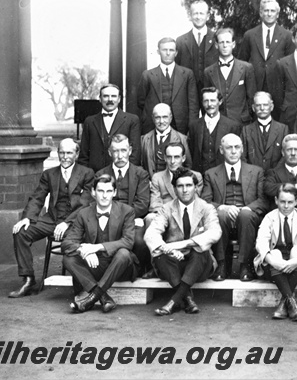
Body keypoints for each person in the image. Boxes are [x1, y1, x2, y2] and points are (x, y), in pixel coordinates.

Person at [9, 138, 95, 298]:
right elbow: (37, 197)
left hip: (75, 222)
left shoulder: (87, 173)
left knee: (72, 243)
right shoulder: (49, 174)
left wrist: (67, 222)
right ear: (58, 153)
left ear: (76, 154)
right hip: (52, 219)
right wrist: (27, 218)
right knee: (21, 232)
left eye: (69, 153)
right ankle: (28, 280)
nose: (65, 157)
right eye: (62, 153)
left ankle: (81, 286)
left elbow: (86, 204)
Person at [144, 169, 221, 316]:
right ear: (174, 189)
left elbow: (215, 232)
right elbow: (151, 234)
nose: (185, 190)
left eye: (189, 185)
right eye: (180, 186)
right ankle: (187, 299)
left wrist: (183, 244)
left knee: (200, 250)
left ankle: (173, 302)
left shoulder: (206, 208)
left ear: (196, 187)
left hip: (199, 265)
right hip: (175, 264)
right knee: (159, 255)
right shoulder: (167, 208)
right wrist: (169, 250)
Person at [62, 174, 138, 313]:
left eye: (108, 191)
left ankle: (91, 298)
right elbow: (67, 243)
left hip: (119, 267)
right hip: (95, 266)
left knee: (123, 253)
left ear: (114, 192)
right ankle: (103, 297)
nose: (104, 196)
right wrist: (83, 250)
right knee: (68, 259)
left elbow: (128, 241)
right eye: (100, 191)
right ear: (93, 192)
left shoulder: (127, 211)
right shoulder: (84, 213)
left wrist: (96, 247)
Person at [202, 133, 267, 282]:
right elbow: (205, 201)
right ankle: (222, 265)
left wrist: (248, 208)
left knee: (245, 215)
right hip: (223, 219)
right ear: (221, 150)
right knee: (219, 215)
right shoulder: (211, 174)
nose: (233, 151)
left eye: (237, 147)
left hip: (248, 218)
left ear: (242, 149)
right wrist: (222, 207)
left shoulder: (256, 171)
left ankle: (245, 266)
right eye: (229, 148)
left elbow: (263, 200)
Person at [254, 184, 297, 321]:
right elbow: (261, 242)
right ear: (276, 200)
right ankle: (292, 305)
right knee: (275, 253)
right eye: (282, 201)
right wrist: (274, 261)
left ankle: (285, 303)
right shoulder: (269, 218)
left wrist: (296, 261)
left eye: (290, 202)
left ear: (296, 201)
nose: (286, 206)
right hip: (274, 267)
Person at [95, 134, 151, 274]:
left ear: (130, 151)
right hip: (106, 218)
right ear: (110, 153)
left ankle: (136, 272)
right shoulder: (101, 174)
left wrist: (124, 218)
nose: (120, 156)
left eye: (123, 150)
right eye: (115, 151)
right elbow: (98, 201)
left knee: (139, 242)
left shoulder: (140, 174)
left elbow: (143, 203)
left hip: (132, 219)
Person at [137, 37, 199, 135]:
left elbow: (193, 104)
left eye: (171, 50)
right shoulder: (147, 75)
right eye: (164, 50)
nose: (168, 53)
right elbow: (141, 102)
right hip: (154, 126)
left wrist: (192, 128)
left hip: (181, 126)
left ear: (176, 52)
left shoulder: (187, 74)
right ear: (158, 51)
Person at [78, 84, 141, 171]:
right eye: (106, 96)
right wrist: (87, 176)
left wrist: (125, 175)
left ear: (119, 99)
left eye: (113, 96)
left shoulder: (132, 120)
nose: (110, 99)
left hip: (121, 175)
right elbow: (83, 156)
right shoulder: (89, 121)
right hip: (95, 175)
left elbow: (135, 154)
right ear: (100, 99)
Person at [237, 0, 295, 92]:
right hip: (254, 85)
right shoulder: (250, 35)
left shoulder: (287, 36)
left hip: (278, 86)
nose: (269, 14)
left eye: (272, 11)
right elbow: (241, 63)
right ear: (261, 13)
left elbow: (290, 65)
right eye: (266, 11)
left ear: (277, 14)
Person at [203, 28, 257, 124]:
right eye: (221, 42)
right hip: (219, 123)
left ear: (233, 44)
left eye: (228, 42)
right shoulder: (208, 72)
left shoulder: (246, 68)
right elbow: (206, 100)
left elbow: (251, 99)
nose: (225, 46)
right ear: (216, 45)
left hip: (241, 123)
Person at [149, 142, 205, 228]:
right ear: (165, 158)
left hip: (188, 215)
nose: (172, 161)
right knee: (150, 218)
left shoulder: (195, 176)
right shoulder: (157, 177)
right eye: (169, 157)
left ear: (183, 158)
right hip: (166, 216)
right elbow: (155, 205)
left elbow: (195, 201)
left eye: (176, 157)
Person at [187, 87, 243, 173]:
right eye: (206, 101)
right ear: (202, 103)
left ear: (220, 102)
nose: (209, 104)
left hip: (223, 175)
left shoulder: (232, 126)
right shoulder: (194, 126)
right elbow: (192, 151)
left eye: (213, 100)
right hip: (201, 175)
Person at [174, 0, 221, 91]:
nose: (198, 17)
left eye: (201, 13)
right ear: (190, 16)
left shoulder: (217, 38)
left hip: (212, 91)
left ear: (207, 16)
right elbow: (176, 69)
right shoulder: (180, 41)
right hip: (187, 91)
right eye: (195, 13)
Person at [140, 103, 191, 178]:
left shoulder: (182, 139)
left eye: (165, 117)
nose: (161, 121)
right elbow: (141, 165)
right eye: (157, 117)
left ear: (171, 118)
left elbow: (188, 165)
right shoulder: (144, 139)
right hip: (151, 183)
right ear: (153, 118)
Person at [240, 92, 288, 170]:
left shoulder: (283, 129)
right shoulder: (246, 130)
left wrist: (275, 173)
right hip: (253, 175)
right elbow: (242, 156)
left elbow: (285, 155)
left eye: (265, 105)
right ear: (253, 108)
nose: (262, 108)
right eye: (258, 105)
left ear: (271, 107)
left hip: (276, 175)